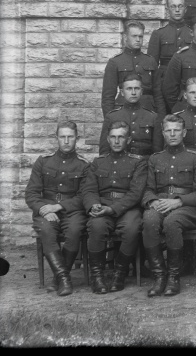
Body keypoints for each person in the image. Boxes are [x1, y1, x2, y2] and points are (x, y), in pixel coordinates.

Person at [142, 114, 196, 297]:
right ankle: (159, 275)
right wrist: (153, 201)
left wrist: (178, 201)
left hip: (186, 206)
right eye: (168, 131)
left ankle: (173, 277)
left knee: (172, 222)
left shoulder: (195, 158)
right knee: (148, 219)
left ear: (184, 133)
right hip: (161, 203)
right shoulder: (155, 159)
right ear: (163, 133)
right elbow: (147, 188)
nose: (172, 134)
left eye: (176, 130)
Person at [25, 121, 89, 296]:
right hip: (46, 210)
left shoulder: (84, 165)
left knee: (75, 231)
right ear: (57, 138)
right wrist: (45, 208)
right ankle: (65, 279)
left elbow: (84, 196)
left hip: (72, 211)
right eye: (63, 137)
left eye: (70, 137)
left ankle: (57, 279)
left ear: (77, 139)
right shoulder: (43, 162)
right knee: (47, 230)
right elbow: (31, 193)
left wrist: (59, 206)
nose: (66, 141)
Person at [82, 121, 147, 293]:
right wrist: (93, 204)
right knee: (96, 226)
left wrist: (113, 209)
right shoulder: (97, 163)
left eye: (121, 137)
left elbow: (135, 193)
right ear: (108, 140)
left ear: (129, 140)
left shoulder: (138, 163)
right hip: (101, 206)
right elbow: (89, 189)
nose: (117, 141)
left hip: (127, 208)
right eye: (113, 137)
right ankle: (97, 276)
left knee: (132, 228)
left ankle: (120, 273)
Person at [102, 20, 162, 116]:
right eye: (134, 36)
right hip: (122, 111)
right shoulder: (115, 62)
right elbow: (108, 97)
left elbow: (158, 95)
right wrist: (110, 120)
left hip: (147, 110)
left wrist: (160, 119)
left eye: (140, 36)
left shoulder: (150, 61)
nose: (138, 39)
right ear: (126, 37)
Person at [99, 75, 163, 157]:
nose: (133, 92)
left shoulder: (152, 117)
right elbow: (104, 151)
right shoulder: (112, 117)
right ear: (122, 92)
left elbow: (158, 151)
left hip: (144, 163)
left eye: (137, 88)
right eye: (129, 89)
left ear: (142, 91)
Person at [147, 0, 192, 93]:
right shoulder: (158, 34)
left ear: (185, 9)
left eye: (180, 6)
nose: (177, 10)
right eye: (173, 6)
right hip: (165, 81)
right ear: (167, 10)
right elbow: (151, 64)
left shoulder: (192, 33)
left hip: (188, 81)